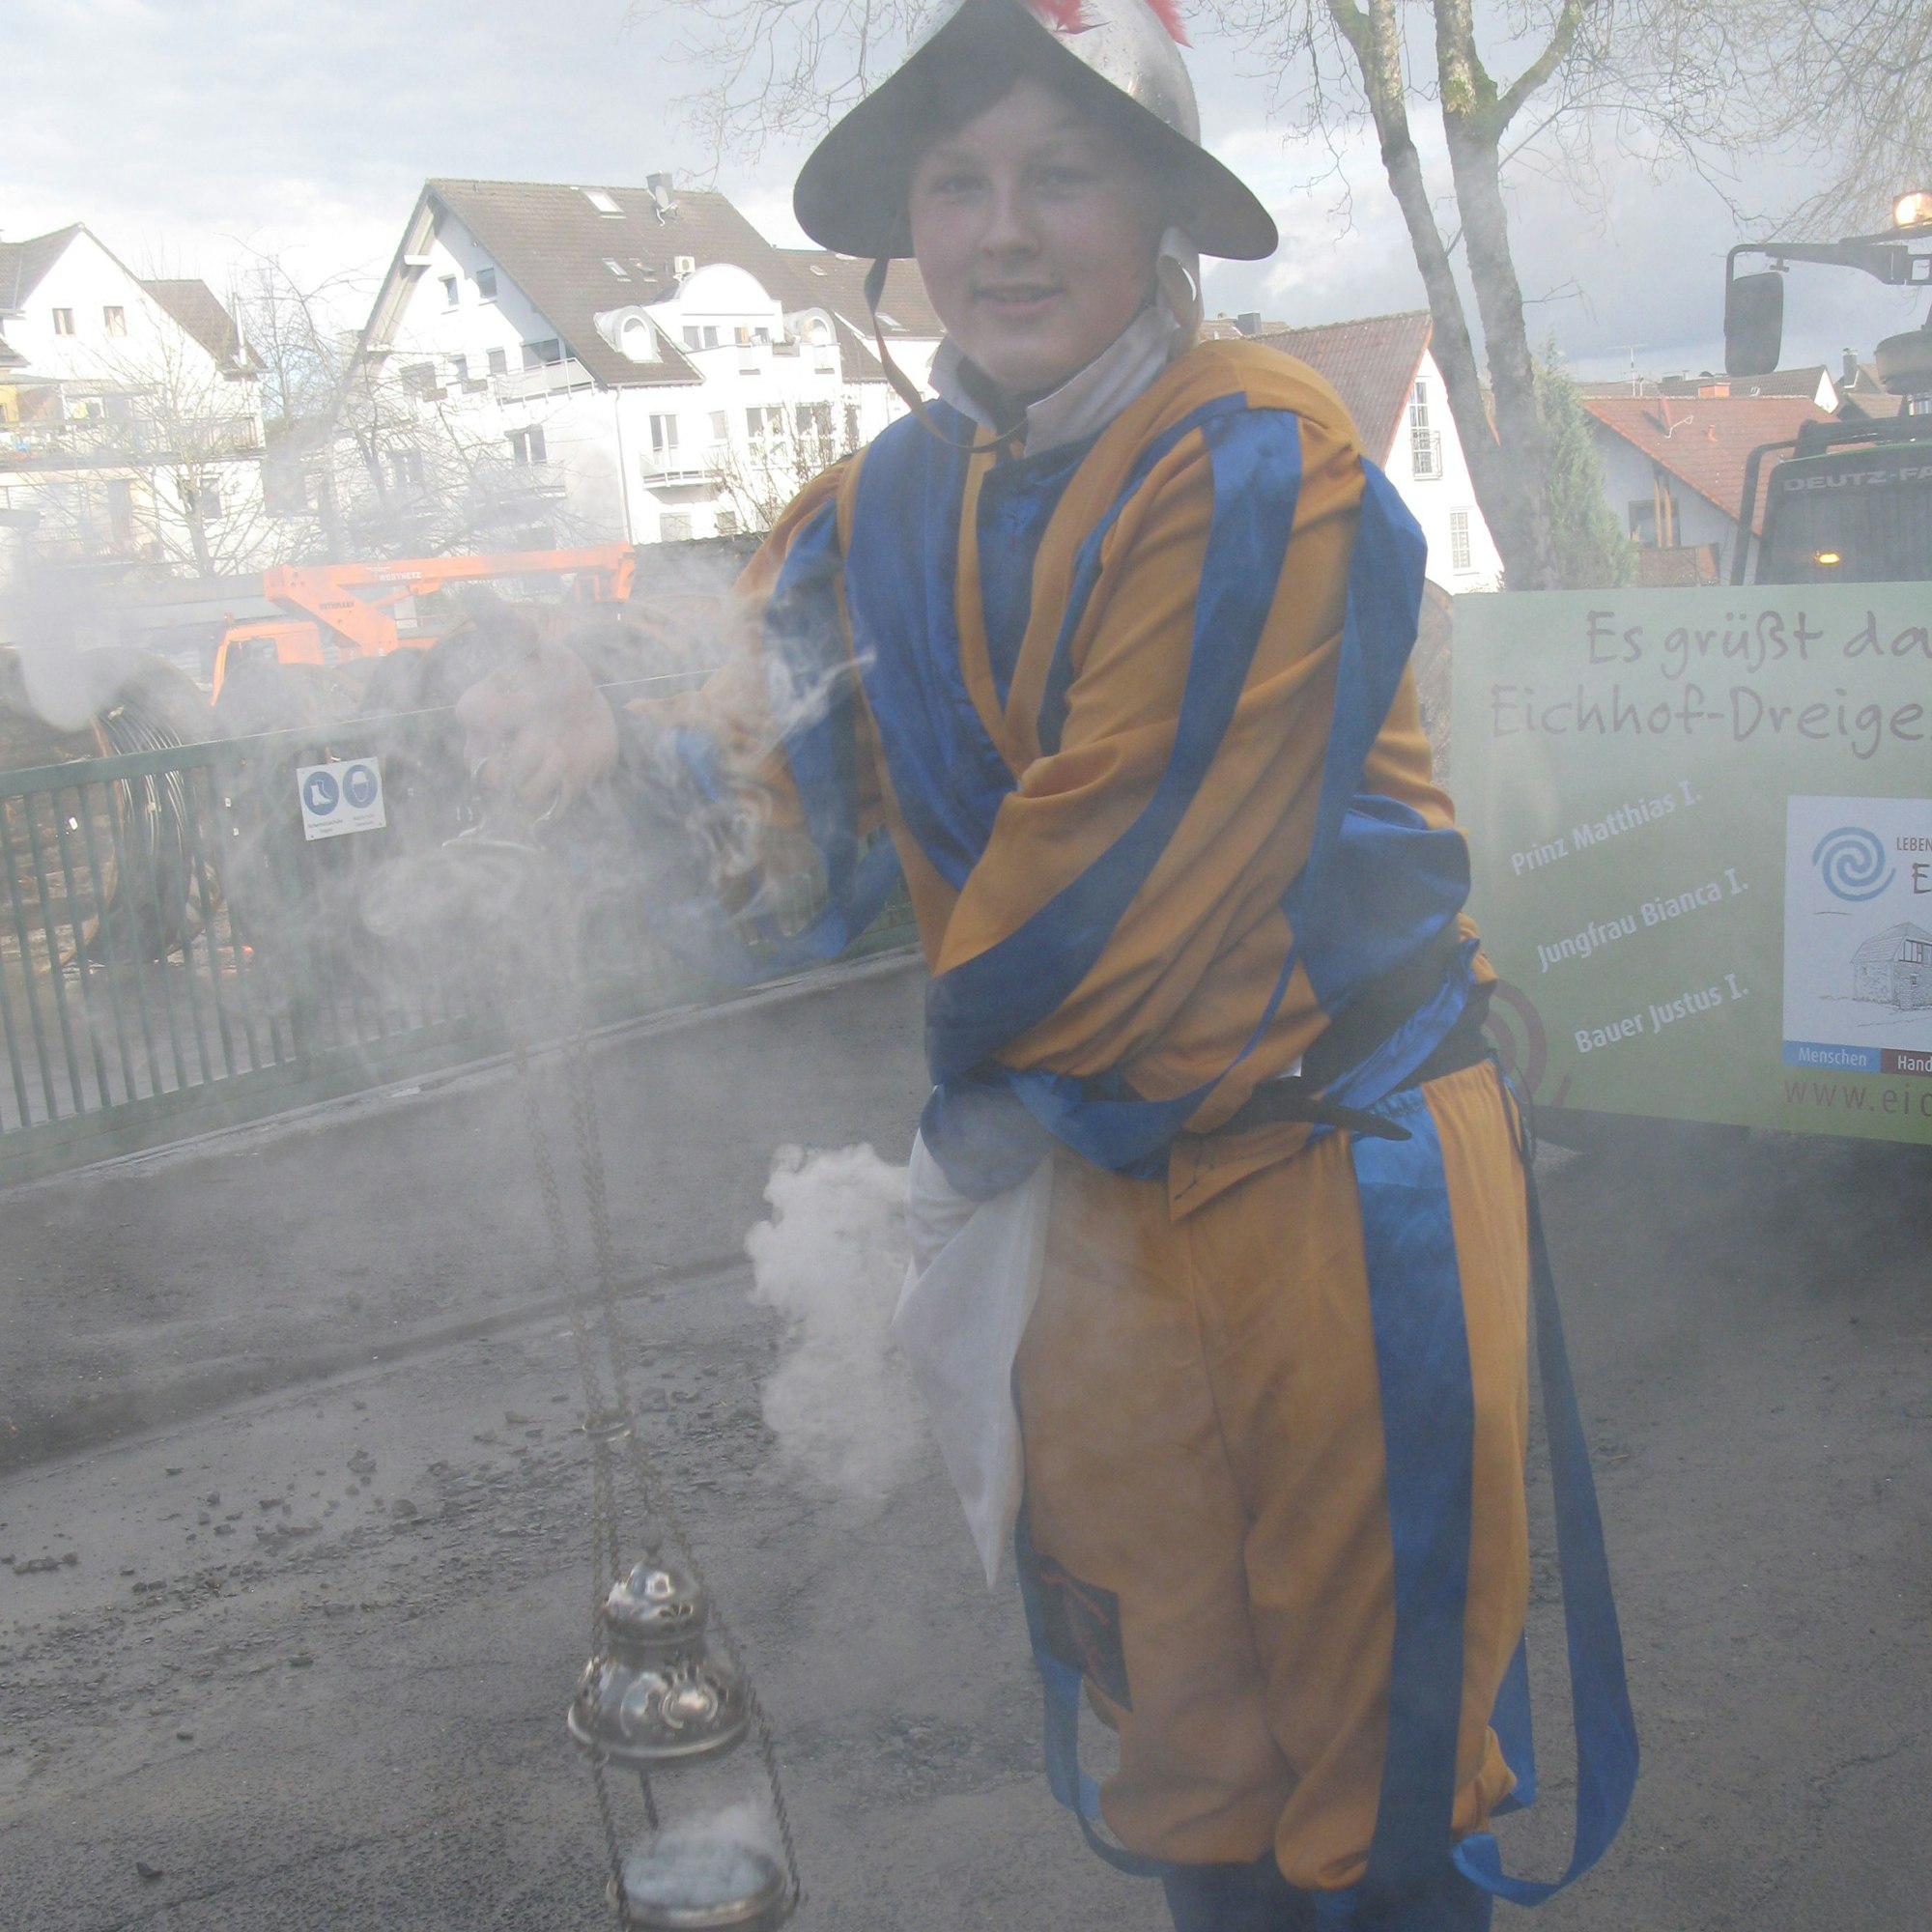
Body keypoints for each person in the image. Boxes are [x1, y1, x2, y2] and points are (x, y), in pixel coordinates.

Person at [456, 3, 1635, 1926]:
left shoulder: (1266, 450)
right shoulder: (873, 510)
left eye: (1059, 175)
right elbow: (796, 836)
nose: (1002, 231)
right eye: (958, 182)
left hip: (1339, 1187)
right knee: (1189, 1751)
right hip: (1088, 1207)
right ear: (908, 228)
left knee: (1379, 1762)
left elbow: (1122, 878)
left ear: (1157, 210)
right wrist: (597, 765)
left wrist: (950, 1140)